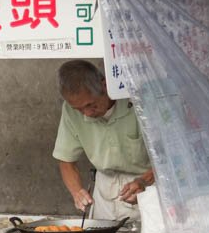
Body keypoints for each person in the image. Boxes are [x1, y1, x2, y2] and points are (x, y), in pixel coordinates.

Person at [53, 60, 154, 221]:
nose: (86, 113)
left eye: (90, 105)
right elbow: (66, 160)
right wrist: (77, 191)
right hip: (104, 194)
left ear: (105, 85)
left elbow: (172, 157)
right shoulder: (70, 110)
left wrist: (144, 181)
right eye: (78, 109)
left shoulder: (139, 100)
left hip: (148, 191)